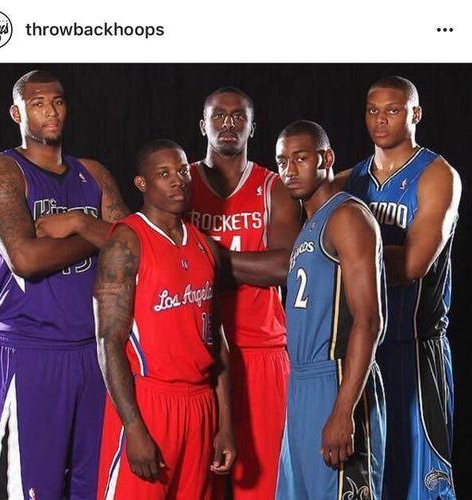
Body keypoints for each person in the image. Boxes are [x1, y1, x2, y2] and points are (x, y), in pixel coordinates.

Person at [0, 70, 129, 499]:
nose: (51, 111)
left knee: (93, 486)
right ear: (16, 113)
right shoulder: (2, 171)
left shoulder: (93, 174)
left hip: (96, 352)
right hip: (30, 350)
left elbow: (135, 246)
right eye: (37, 103)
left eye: (57, 102)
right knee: (29, 489)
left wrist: (77, 223)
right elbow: (26, 259)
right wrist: (97, 236)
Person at [339, 76, 461, 499]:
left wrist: (349, 259)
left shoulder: (437, 175)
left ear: (415, 114)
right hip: (361, 348)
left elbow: (412, 264)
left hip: (415, 346)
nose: (380, 120)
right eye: (372, 111)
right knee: (369, 477)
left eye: (392, 110)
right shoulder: (348, 180)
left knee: (421, 481)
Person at [95, 140, 235, 500]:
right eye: (164, 173)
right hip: (150, 404)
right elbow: (109, 341)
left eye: (183, 171)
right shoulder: (126, 243)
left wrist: (225, 424)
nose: (178, 180)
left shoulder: (205, 246)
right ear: (142, 183)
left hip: (201, 406)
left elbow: (218, 343)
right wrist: (133, 427)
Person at [186, 87, 301, 499]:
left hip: (261, 350)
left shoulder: (273, 187)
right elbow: (164, 262)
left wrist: (208, 259)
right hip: (197, 354)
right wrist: (251, 265)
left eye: (239, 116)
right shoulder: (181, 183)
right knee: (199, 483)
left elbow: (285, 267)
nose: (229, 124)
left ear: (253, 127)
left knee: (261, 484)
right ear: (203, 125)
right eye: (219, 116)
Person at [274, 120, 386, 500]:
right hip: (301, 384)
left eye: (300, 158)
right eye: (282, 161)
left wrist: (343, 410)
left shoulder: (347, 217)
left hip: (336, 379)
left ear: (326, 159)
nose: (290, 169)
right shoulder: (309, 226)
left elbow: (369, 321)